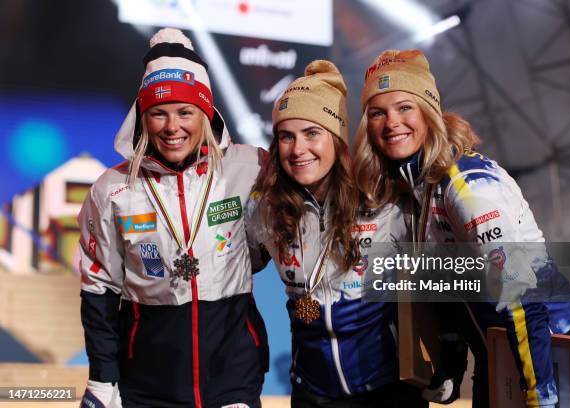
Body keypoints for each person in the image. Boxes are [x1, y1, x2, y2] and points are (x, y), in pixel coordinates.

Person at [352, 49, 570, 407]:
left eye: (405, 107)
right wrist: (451, 366)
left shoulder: (468, 187)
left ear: (429, 112)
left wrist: (540, 393)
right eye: (378, 112)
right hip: (498, 350)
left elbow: (521, 296)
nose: (392, 122)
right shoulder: (413, 189)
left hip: (549, 344)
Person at [78, 28, 268, 408]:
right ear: (142, 117)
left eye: (185, 112)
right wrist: (102, 377)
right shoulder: (112, 190)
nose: (172, 127)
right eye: (158, 113)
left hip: (233, 379)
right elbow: (98, 290)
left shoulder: (250, 167)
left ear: (206, 112)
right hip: (147, 386)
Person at [245, 60, 427, 408]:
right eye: (287, 136)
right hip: (312, 393)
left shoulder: (385, 198)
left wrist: (449, 353)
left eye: (312, 133)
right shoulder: (267, 209)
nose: (298, 149)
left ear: (337, 138)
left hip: (386, 391)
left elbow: (446, 274)